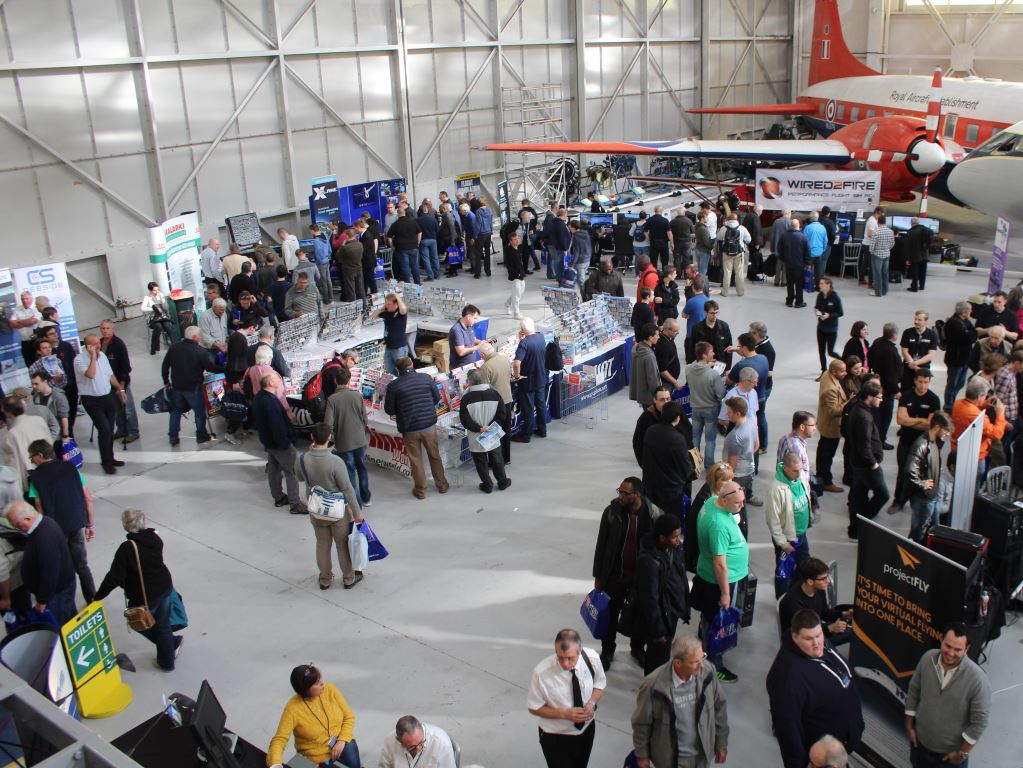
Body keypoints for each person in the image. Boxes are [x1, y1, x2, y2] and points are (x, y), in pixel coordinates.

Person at [767, 609, 863, 768]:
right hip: (821, 759)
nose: (817, 643)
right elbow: (788, 730)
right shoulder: (786, 677)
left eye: (819, 635)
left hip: (841, 746)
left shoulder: (818, 647)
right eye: (809, 638)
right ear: (794, 637)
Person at [93, 508, 184, 670]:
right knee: (162, 623)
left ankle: (169, 651)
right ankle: (168, 653)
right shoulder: (155, 538)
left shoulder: (127, 549)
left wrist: (98, 596)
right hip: (165, 586)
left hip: (146, 596)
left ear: (127, 526)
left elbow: (114, 577)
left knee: (140, 624)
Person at [631, 633, 729, 768]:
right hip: (674, 761)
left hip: (703, 755)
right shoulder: (653, 686)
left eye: (703, 657)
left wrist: (721, 741)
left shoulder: (708, 671)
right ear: (678, 663)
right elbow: (641, 723)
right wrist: (642, 755)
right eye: (695, 662)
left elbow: (719, 707)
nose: (701, 665)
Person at [905, 622, 991, 768]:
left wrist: (962, 754)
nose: (951, 653)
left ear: (967, 649)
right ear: (941, 640)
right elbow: (914, 691)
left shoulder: (978, 680)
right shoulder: (927, 659)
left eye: (957, 649)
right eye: (948, 646)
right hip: (920, 747)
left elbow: (980, 722)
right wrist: (909, 726)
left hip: (949, 758)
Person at [592, 476, 652, 670]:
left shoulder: (652, 514)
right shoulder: (611, 513)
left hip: (639, 578)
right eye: (619, 491)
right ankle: (607, 650)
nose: (620, 496)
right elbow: (601, 545)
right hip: (615, 576)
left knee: (639, 614)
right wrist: (598, 576)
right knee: (610, 616)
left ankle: (637, 648)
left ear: (637, 494)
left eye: (625, 493)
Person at [691, 480, 748, 682]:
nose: (742, 506)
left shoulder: (712, 502)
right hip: (720, 582)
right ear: (724, 500)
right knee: (716, 621)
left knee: (709, 616)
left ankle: (704, 634)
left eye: (743, 500)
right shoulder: (718, 526)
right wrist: (725, 594)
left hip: (712, 575)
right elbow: (720, 564)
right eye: (738, 503)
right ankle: (714, 663)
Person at [295, 423, 364, 591]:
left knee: (322, 544)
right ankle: (348, 578)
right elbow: (347, 488)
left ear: (312, 437)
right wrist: (357, 513)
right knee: (342, 545)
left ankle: (325, 579)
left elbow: (299, 477)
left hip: (316, 509)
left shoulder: (302, 459)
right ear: (329, 438)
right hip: (337, 511)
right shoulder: (335, 462)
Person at [526, 628, 606, 768]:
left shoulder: (591, 659)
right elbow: (534, 707)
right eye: (560, 657)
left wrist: (592, 703)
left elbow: (599, 684)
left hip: (586, 731)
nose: (565, 663)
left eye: (570, 658)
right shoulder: (542, 673)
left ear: (579, 651)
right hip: (555, 736)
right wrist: (564, 714)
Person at [27, 440, 95, 601]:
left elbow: (39, 510)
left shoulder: (35, 478)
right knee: (82, 565)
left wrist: (43, 534)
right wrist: (89, 524)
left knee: (62, 569)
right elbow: (88, 499)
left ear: (40, 456)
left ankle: (67, 605)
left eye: (32, 457)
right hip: (77, 523)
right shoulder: (71, 467)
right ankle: (92, 599)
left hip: (56, 531)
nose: (31, 460)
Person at [267, 663, 360, 768]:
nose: (322, 683)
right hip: (314, 758)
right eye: (316, 682)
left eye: (320, 678)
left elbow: (349, 717)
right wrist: (275, 764)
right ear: (305, 689)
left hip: (342, 742)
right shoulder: (292, 708)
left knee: (353, 759)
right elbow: (279, 740)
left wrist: (341, 740)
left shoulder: (330, 690)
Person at [383, 357, 449, 499]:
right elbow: (437, 398)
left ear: (397, 369)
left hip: (409, 428)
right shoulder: (426, 378)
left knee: (416, 460)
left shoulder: (394, 386)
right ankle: (442, 485)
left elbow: (389, 410)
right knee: (434, 455)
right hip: (429, 426)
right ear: (412, 365)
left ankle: (421, 491)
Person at [634, 513, 691, 675]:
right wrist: (658, 631)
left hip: (671, 613)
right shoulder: (649, 561)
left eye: (679, 535)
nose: (678, 540)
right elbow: (650, 599)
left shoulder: (676, 549)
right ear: (661, 538)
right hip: (661, 619)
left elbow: (681, 577)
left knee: (664, 656)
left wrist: (683, 607)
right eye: (674, 537)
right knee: (657, 660)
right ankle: (652, 690)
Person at [5, 500, 77, 626]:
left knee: (62, 627)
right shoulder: (45, 522)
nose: (15, 527)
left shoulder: (44, 537)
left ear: (27, 518)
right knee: (69, 618)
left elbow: (49, 574)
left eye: (16, 524)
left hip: (57, 595)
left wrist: (41, 601)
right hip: (60, 590)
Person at [251, 374, 307, 515]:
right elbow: (277, 426)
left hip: (269, 441)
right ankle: (295, 504)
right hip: (279, 443)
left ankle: (279, 497)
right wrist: (285, 443)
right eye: (277, 379)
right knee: (291, 471)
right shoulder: (270, 402)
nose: (279, 380)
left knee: (274, 468)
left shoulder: (260, 397)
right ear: (270, 383)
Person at [74, 334, 127, 474]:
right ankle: (105, 461)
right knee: (104, 429)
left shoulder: (103, 356)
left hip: (107, 397)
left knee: (110, 428)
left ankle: (110, 457)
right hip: (92, 400)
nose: (98, 346)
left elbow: (110, 375)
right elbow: (90, 375)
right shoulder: (79, 360)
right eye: (94, 344)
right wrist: (92, 357)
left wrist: (119, 389)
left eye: (98, 343)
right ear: (87, 346)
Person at [162, 326, 222, 447]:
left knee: (175, 410)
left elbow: (165, 365)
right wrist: (225, 369)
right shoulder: (200, 351)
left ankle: (173, 436)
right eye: (199, 335)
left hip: (177, 386)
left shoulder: (174, 348)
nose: (200, 337)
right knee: (199, 412)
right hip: (193, 387)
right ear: (195, 337)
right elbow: (211, 368)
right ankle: (201, 435)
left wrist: (166, 381)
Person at [765, 451, 812, 598]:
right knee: (784, 572)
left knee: (805, 566)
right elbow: (772, 520)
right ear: (785, 468)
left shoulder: (801, 476)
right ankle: (782, 601)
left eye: (800, 469)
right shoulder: (776, 489)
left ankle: (795, 594)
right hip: (787, 538)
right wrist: (782, 543)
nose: (799, 474)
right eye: (795, 471)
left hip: (801, 534)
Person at [892, 369, 942, 509]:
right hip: (906, 441)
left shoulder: (934, 399)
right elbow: (900, 419)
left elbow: (930, 425)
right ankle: (898, 500)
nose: (923, 385)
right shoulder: (906, 396)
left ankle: (916, 501)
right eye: (920, 382)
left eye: (926, 382)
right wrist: (921, 420)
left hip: (924, 444)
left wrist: (911, 421)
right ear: (915, 380)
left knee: (920, 473)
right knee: (903, 472)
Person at [322, 367, 371, 508]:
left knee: (349, 473)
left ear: (335, 381)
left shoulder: (332, 399)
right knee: (362, 468)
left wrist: (335, 439)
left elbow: (328, 424)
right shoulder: (357, 395)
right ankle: (366, 498)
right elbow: (365, 419)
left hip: (344, 443)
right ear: (349, 380)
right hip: (360, 440)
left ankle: (356, 505)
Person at [847, 381, 888, 539]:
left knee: (858, 496)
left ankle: (855, 529)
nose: (881, 400)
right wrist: (874, 464)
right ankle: (864, 522)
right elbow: (864, 445)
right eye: (879, 397)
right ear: (870, 397)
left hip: (857, 462)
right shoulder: (864, 417)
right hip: (866, 465)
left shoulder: (857, 409)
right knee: (882, 494)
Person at [778, 559, 852, 647]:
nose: (827, 581)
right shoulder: (793, 602)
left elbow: (825, 613)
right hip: (803, 642)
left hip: (815, 628)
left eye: (827, 577)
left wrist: (844, 614)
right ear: (810, 581)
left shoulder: (817, 589)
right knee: (852, 634)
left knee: (851, 629)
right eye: (823, 578)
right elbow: (805, 631)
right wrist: (830, 628)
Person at [459, 369, 511, 493]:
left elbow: (464, 419)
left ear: (470, 382)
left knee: (480, 461)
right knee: (497, 458)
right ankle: (502, 482)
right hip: (492, 433)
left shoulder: (466, 398)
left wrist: (479, 428)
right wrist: (491, 428)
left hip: (476, 435)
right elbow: (502, 414)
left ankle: (487, 485)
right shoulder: (494, 394)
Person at [904, 412, 952, 543]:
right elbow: (909, 471)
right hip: (923, 498)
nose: (948, 434)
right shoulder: (922, 445)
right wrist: (922, 484)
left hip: (932, 496)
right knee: (917, 533)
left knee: (933, 530)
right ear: (937, 428)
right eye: (946, 430)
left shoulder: (935, 442)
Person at [642, 402, 696, 517]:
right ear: (677, 418)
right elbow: (685, 468)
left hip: (651, 486)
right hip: (671, 490)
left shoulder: (650, 431)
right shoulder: (678, 439)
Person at [950, 378, 1005, 490]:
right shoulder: (979, 417)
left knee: (959, 489)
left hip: (958, 451)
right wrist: (1000, 414)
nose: (985, 398)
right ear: (980, 396)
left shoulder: (957, 404)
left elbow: (970, 409)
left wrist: (984, 404)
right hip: (974, 458)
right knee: (971, 492)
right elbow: (996, 434)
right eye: (984, 396)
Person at [686, 341, 726, 471]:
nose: (713, 354)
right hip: (710, 409)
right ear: (704, 355)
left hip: (695, 409)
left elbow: (694, 366)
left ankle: (694, 464)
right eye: (711, 352)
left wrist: (708, 365)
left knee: (695, 437)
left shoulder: (689, 369)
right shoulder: (713, 374)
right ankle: (709, 466)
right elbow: (720, 394)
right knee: (710, 440)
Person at [99, 319, 139, 443]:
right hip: (107, 384)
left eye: (108, 328)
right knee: (116, 408)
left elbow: (125, 366)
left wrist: (122, 384)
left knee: (128, 407)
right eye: (103, 328)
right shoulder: (99, 343)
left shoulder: (118, 344)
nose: (105, 331)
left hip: (121, 381)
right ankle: (122, 428)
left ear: (113, 329)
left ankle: (133, 431)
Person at [1, 396, 51, 493]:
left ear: (7, 413)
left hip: (31, 478)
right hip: (49, 466)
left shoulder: (11, 435)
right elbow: (49, 442)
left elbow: (14, 464)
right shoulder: (38, 420)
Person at [512, 317, 548, 443]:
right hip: (541, 378)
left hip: (528, 381)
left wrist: (517, 377)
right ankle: (542, 430)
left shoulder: (524, 343)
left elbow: (516, 363)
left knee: (528, 409)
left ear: (522, 329)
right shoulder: (541, 337)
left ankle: (526, 435)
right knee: (541, 405)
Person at [816, 360, 848, 493]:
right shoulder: (831, 389)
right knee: (827, 455)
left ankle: (821, 476)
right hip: (831, 427)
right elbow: (833, 411)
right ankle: (825, 481)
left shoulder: (826, 374)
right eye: (842, 371)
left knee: (823, 451)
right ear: (834, 371)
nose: (845, 373)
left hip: (824, 423)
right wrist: (849, 403)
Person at [870, 322, 903, 448]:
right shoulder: (890, 351)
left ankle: (876, 439)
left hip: (878, 383)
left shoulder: (877, 342)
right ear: (894, 335)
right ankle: (880, 441)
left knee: (877, 415)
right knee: (885, 417)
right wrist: (897, 390)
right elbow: (891, 374)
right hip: (887, 390)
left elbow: (870, 356)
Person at [378, 716, 456, 768]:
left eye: (421, 743)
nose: (418, 749)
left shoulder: (441, 743)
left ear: (421, 727)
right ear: (399, 740)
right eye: (412, 747)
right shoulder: (390, 741)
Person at [944, 302, 977, 411]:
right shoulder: (954, 324)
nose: (971, 311)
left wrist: (971, 333)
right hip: (955, 360)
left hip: (964, 359)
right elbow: (971, 337)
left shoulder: (965, 321)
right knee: (952, 384)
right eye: (969, 310)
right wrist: (971, 333)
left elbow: (973, 333)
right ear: (964, 312)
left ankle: (952, 401)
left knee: (960, 383)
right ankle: (949, 406)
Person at [371, 293, 408, 375]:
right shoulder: (387, 312)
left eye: (389, 304)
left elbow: (404, 309)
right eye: (386, 303)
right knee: (390, 370)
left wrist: (397, 297)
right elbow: (373, 316)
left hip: (399, 348)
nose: (387, 306)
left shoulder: (400, 313)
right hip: (388, 347)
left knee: (402, 371)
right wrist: (382, 308)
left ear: (396, 304)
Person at [716, 213, 751, 298]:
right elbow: (749, 239)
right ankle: (740, 292)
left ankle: (725, 292)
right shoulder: (742, 228)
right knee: (739, 272)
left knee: (727, 272)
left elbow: (718, 238)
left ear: (728, 219)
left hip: (726, 252)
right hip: (739, 252)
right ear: (737, 220)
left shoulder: (724, 228)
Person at [814, 278, 843, 379]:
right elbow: (817, 307)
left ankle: (844, 361)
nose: (820, 285)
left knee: (830, 351)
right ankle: (823, 371)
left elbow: (840, 312)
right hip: (821, 328)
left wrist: (829, 315)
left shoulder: (835, 297)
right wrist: (817, 311)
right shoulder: (820, 296)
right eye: (820, 283)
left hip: (831, 329)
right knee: (821, 350)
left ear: (828, 285)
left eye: (822, 283)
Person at [778, 218, 810, 308]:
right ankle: (799, 302)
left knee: (790, 283)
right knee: (799, 284)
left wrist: (784, 259)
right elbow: (807, 251)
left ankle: (789, 300)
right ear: (798, 225)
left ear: (790, 226)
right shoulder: (803, 237)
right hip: (800, 265)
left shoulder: (784, 236)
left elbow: (780, 249)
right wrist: (808, 263)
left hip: (788, 264)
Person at [630, 323, 661, 409]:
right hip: (650, 396)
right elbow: (652, 377)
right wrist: (658, 395)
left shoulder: (638, 348)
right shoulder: (649, 356)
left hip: (641, 392)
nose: (659, 337)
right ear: (650, 338)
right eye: (657, 335)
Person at [142, 282, 177, 355]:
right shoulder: (147, 297)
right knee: (158, 327)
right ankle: (153, 347)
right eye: (155, 290)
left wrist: (162, 299)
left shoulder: (160, 295)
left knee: (168, 326)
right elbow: (143, 308)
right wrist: (154, 308)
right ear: (150, 290)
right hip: (153, 318)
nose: (156, 292)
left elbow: (166, 308)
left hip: (163, 317)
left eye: (157, 290)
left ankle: (175, 346)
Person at [448, 304, 484, 370]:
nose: (475, 321)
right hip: (460, 369)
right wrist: (477, 347)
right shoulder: (457, 330)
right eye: (475, 318)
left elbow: (473, 339)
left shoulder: (469, 326)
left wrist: (483, 342)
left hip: (470, 366)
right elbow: (461, 352)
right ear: (468, 317)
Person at [11, 291, 41, 366]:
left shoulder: (36, 308)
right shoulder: (17, 309)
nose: (24, 301)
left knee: (40, 365)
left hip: (36, 341)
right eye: (23, 299)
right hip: (24, 343)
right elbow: (12, 324)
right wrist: (27, 321)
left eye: (27, 299)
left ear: (31, 299)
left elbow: (33, 321)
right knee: (30, 366)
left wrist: (18, 321)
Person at [870, 215, 896, 297]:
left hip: (877, 255)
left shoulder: (876, 231)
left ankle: (878, 292)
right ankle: (885, 291)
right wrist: (887, 249)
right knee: (885, 273)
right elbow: (892, 243)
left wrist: (871, 252)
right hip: (886, 255)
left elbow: (872, 245)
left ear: (878, 221)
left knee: (877, 274)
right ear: (885, 222)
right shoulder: (890, 231)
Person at [655, 318, 683, 391]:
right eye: (675, 331)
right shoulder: (663, 345)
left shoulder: (668, 338)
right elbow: (662, 370)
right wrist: (675, 382)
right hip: (666, 383)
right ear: (666, 329)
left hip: (670, 381)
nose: (678, 333)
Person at [504, 231, 526, 318]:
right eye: (515, 239)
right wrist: (516, 275)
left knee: (520, 293)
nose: (517, 241)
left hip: (521, 274)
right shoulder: (509, 251)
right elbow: (509, 265)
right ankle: (516, 313)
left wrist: (522, 273)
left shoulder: (519, 248)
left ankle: (507, 303)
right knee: (516, 296)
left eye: (518, 239)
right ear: (510, 241)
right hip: (514, 276)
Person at [804, 211, 829, 286]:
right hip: (819, 252)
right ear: (817, 218)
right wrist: (823, 249)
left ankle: (809, 286)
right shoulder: (822, 227)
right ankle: (818, 286)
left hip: (809, 253)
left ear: (811, 219)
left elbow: (804, 241)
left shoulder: (807, 228)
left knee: (809, 270)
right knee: (818, 271)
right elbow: (825, 241)